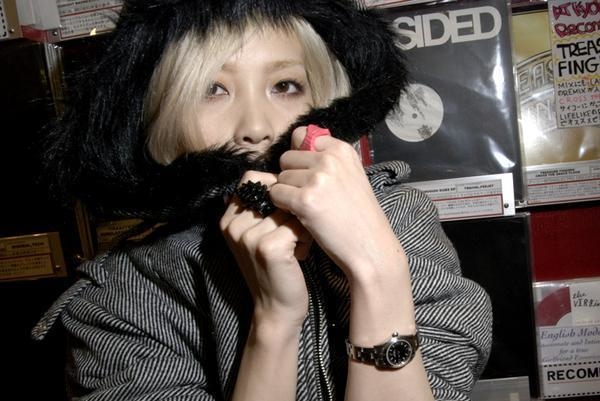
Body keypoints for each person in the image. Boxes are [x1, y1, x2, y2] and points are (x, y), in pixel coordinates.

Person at [33, 0, 493, 400]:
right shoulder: (121, 292)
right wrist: (273, 323)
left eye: (285, 86)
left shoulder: (397, 217)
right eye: (212, 89)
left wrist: (376, 274)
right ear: (164, 111)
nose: (255, 126)